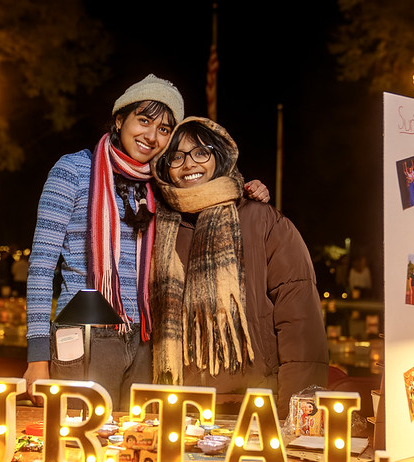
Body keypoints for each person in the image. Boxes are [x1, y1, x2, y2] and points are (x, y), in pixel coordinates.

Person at [24, 74, 269, 409]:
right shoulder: (73, 170)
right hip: (85, 334)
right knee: (79, 444)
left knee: (133, 446)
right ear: (120, 118)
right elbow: (40, 267)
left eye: (165, 129)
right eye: (144, 120)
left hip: (145, 340)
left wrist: (245, 190)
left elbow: (208, 192)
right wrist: (37, 356)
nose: (152, 136)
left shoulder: (159, 186)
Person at [150, 117, 329, 419]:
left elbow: (300, 322)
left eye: (200, 152)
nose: (188, 164)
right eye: (176, 157)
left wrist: (297, 414)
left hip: (257, 405)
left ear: (219, 157)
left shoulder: (262, 220)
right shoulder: (160, 227)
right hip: (182, 409)